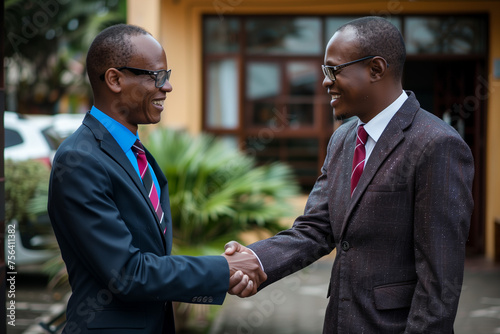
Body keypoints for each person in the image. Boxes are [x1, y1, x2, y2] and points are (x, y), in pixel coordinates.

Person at [225, 16, 474, 333]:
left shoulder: (437, 145)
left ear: (376, 69)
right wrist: (256, 261)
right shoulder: (342, 139)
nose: (326, 81)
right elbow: (316, 228)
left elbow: (440, 282)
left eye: (334, 70)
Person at [48, 24, 265, 334]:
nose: (168, 87)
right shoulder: (79, 159)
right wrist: (222, 268)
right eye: (157, 76)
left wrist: (226, 270)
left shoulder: (138, 154)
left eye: (168, 75)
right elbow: (127, 272)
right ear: (115, 79)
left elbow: (150, 258)